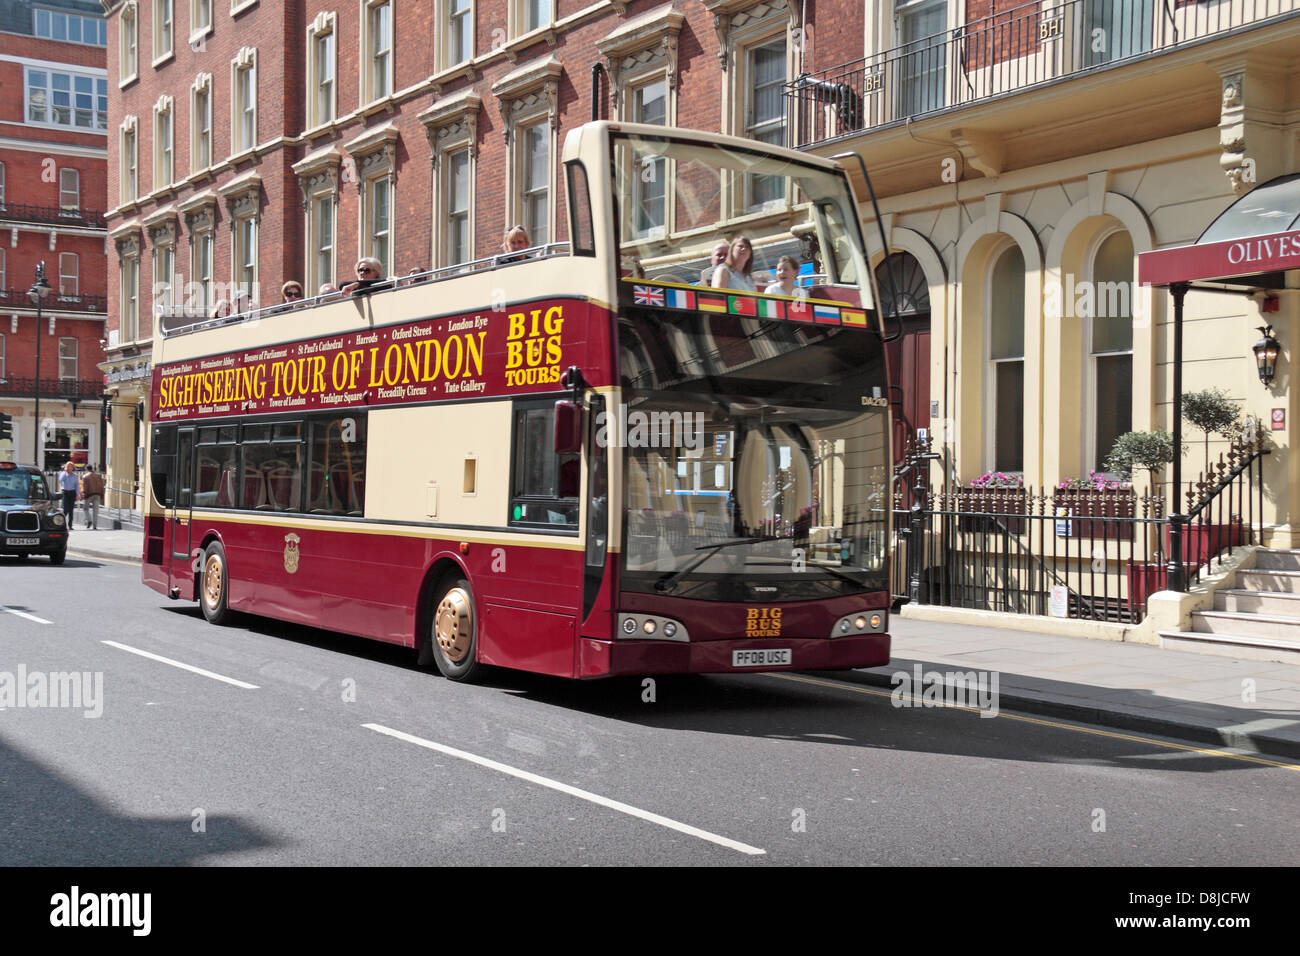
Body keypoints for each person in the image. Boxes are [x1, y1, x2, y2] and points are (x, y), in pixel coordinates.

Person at [80, 465, 104, 530]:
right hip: (98, 494)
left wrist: (85, 495)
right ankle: (95, 525)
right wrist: (102, 494)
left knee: (85, 508)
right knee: (96, 511)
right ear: (92, 468)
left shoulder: (85, 476)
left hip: (89, 494)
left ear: (86, 469)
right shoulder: (99, 476)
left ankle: (89, 520)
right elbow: (102, 486)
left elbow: (85, 487)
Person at [58, 462, 78, 527]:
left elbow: (76, 485)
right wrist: (65, 473)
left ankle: (70, 525)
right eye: (68, 466)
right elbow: (60, 480)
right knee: (65, 509)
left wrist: (78, 494)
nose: (69, 468)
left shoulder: (75, 475)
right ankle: (61, 523)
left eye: (71, 466)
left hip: (72, 492)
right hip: (65, 492)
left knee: (71, 509)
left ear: (73, 468)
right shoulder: (63, 474)